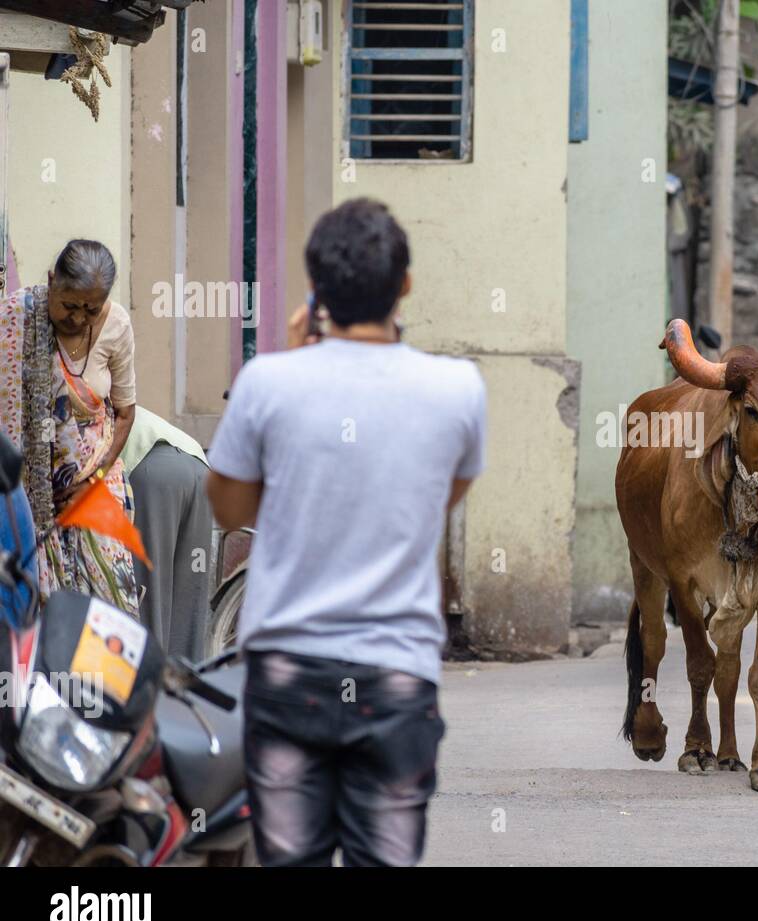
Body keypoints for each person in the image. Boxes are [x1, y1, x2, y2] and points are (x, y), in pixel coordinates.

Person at [206, 198, 486, 867]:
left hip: (284, 672)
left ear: (317, 291)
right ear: (406, 284)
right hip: (396, 676)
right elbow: (438, 499)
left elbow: (228, 506)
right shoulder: (457, 389)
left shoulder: (266, 381)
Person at [0, 239, 139, 615]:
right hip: (27, 492)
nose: (78, 319)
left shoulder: (117, 326)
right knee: (37, 607)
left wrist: (89, 484)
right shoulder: (15, 319)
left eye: (90, 310)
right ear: (50, 282)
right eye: (69, 305)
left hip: (95, 481)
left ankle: (105, 674)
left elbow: (125, 413)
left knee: (110, 603)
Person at [121, 407, 212, 661]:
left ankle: (147, 686)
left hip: (153, 472)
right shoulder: (125, 401)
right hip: (200, 470)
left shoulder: (85, 405)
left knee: (151, 589)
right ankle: (186, 684)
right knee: (191, 591)